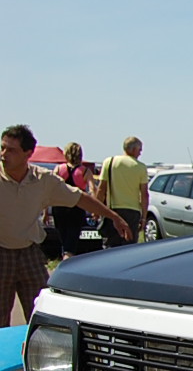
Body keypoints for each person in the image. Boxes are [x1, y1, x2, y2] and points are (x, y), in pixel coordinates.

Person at [0, 125, 131, 326]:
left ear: (28, 153)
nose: (3, 154)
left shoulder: (43, 179)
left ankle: (36, 346)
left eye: (11, 150)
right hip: (2, 252)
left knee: (42, 314)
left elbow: (79, 198)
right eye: (2, 148)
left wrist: (113, 217)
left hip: (29, 253)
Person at [95, 135, 150, 246]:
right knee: (129, 246)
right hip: (132, 212)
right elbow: (144, 195)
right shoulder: (140, 167)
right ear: (133, 149)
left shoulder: (109, 162)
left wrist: (96, 209)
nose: (140, 153)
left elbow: (101, 189)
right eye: (139, 150)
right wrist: (144, 218)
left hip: (112, 210)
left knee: (111, 245)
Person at [52, 142, 94, 258]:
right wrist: (94, 209)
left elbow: (50, 189)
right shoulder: (85, 171)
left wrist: (46, 210)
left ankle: (65, 258)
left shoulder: (59, 169)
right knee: (72, 239)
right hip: (77, 206)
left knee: (64, 239)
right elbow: (92, 190)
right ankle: (67, 259)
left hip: (59, 207)